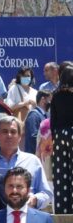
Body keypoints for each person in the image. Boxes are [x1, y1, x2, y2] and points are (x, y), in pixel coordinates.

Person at [0, 116, 54, 210]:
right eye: (5, 131)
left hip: (26, 216)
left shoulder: (32, 161)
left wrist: (35, 199)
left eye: (13, 132)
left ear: (20, 136)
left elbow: (47, 193)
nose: (9, 135)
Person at [52, 63, 73, 213]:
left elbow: (53, 120)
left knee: (61, 176)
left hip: (59, 137)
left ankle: (62, 211)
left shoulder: (56, 96)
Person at [25, 90, 50, 156]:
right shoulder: (33, 115)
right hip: (33, 157)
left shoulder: (45, 115)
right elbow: (33, 137)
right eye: (50, 99)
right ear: (43, 99)